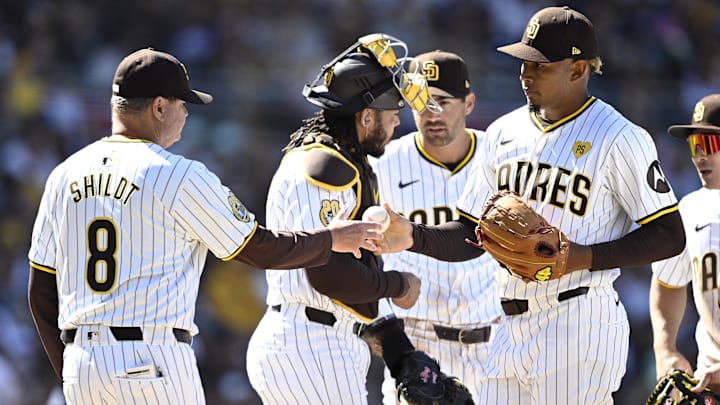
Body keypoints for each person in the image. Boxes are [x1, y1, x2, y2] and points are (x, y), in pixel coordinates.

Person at [27, 47, 386, 405]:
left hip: (81, 365)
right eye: (183, 104)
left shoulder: (63, 175)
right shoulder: (176, 174)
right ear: (159, 107)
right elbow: (257, 247)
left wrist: (71, 371)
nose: (185, 113)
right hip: (152, 361)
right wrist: (329, 239)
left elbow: (41, 290)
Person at [379, 6, 685, 404]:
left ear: (577, 70)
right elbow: (471, 234)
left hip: (577, 318)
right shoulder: (503, 132)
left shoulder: (619, 137)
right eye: (524, 62)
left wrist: (583, 256)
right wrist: (413, 236)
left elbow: (669, 234)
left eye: (540, 65)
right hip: (507, 326)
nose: (525, 73)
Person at [244, 34, 450, 404]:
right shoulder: (329, 165)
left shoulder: (324, 157)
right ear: (366, 115)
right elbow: (329, 273)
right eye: (392, 115)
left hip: (309, 340)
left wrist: (397, 349)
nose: (396, 125)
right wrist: (398, 284)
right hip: (312, 344)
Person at [370, 50, 502, 403]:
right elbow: (361, 258)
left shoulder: (502, 159)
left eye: (443, 101)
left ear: (469, 103)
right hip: (418, 345)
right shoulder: (382, 164)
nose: (432, 113)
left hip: (496, 346)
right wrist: (393, 345)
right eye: (422, 102)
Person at [650, 94, 720, 393]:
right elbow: (667, 282)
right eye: (695, 145)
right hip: (709, 382)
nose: (700, 156)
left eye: (711, 144)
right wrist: (665, 349)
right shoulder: (690, 209)